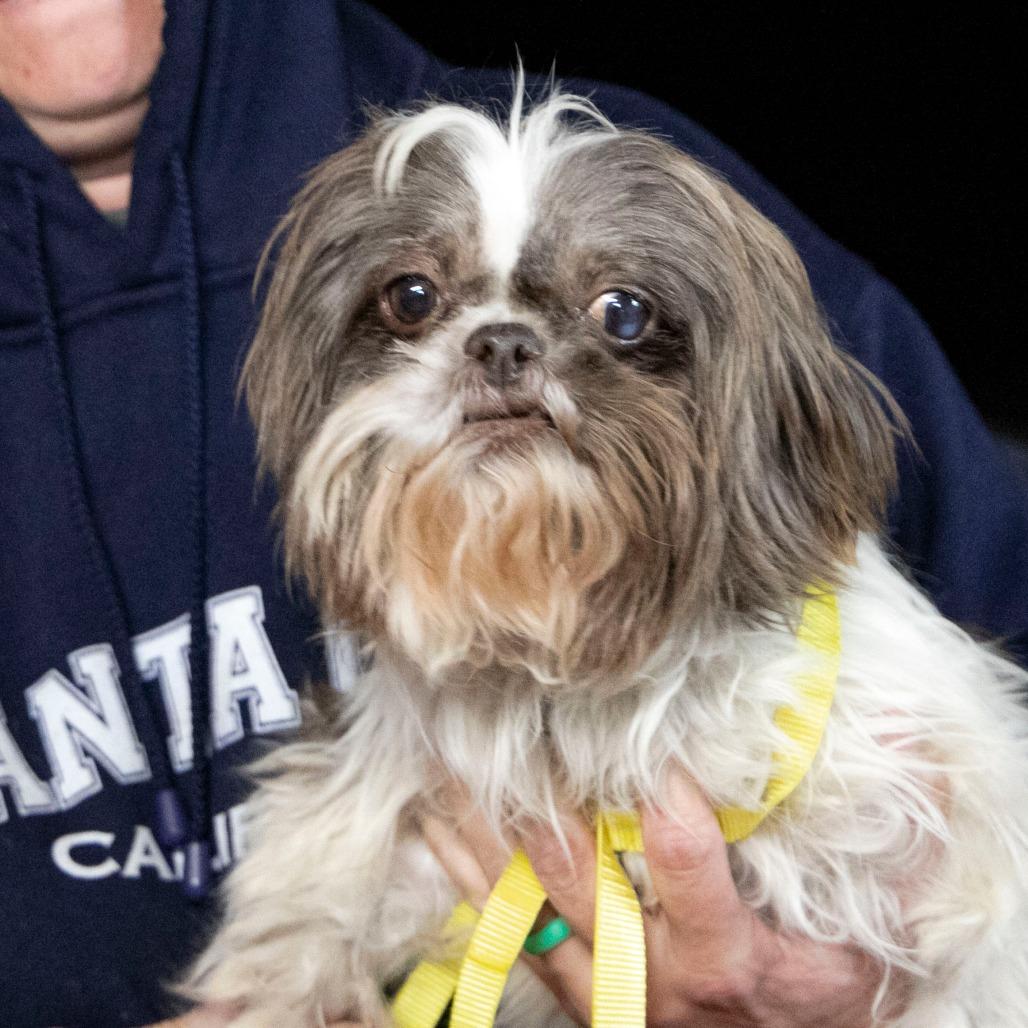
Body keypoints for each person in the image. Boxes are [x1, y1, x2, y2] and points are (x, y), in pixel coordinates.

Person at [0, 2, 1024, 1026]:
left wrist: (870, 994)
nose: (498, 352)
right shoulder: (364, 786)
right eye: (412, 302)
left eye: (617, 317)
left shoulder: (658, 173)